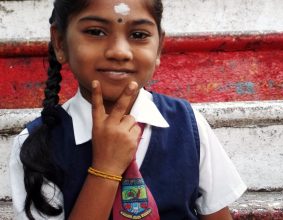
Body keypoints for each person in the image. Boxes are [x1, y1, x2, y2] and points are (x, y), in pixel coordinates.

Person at [9, 0, 246, 219]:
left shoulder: (187, 123)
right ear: (60, 42)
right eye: (95, 32)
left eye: (138, 35)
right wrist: (105, 169)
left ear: (159, 48)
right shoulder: (36, 145)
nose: (119, 52)